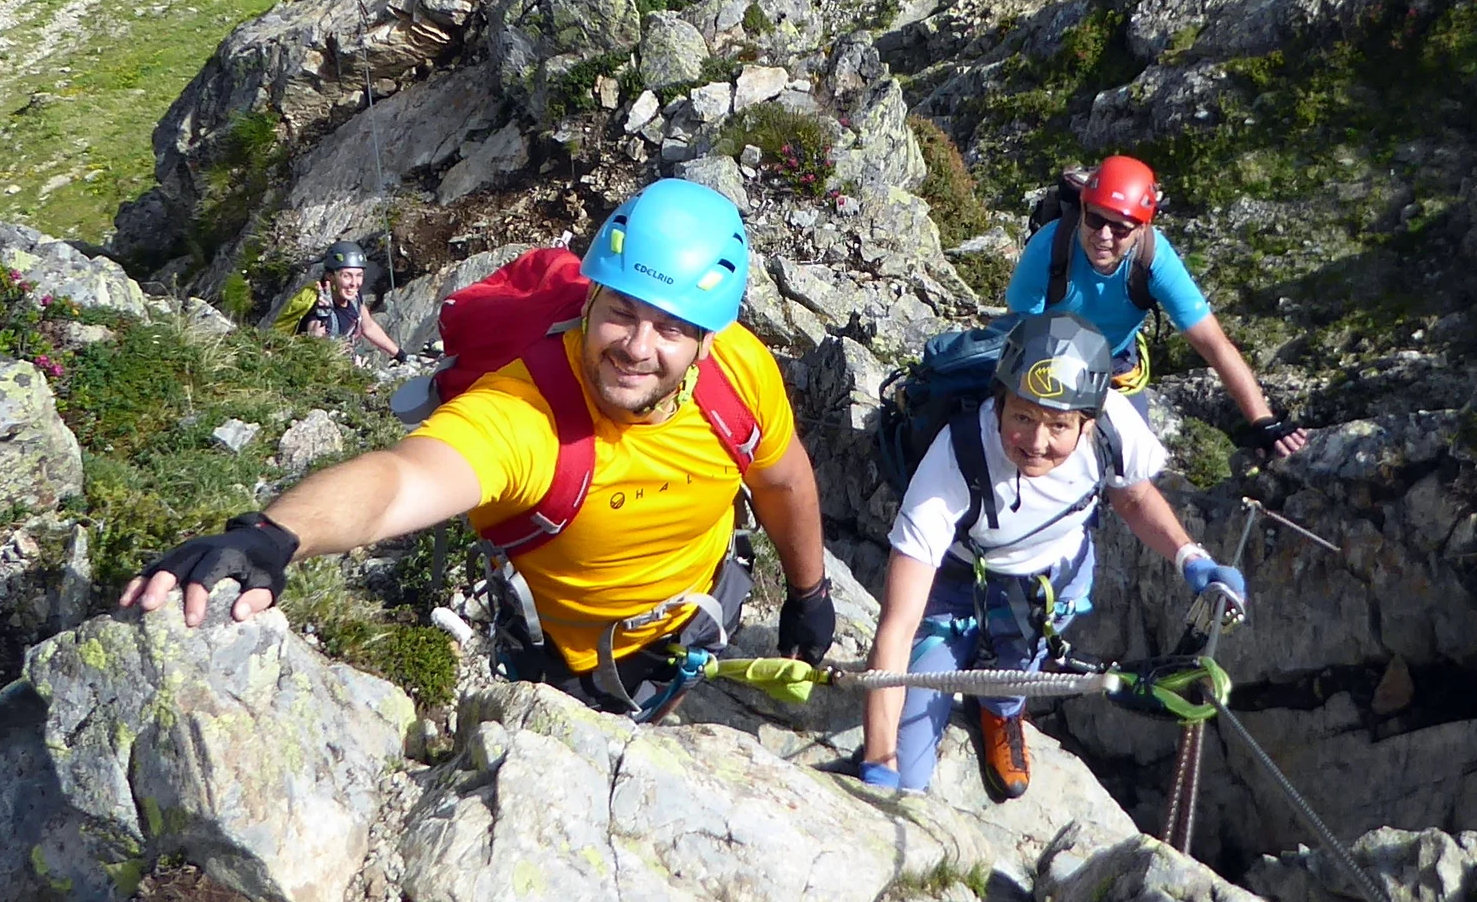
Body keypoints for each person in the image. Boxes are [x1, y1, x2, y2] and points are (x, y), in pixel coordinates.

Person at [120, 179, 835, 715]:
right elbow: (401, 481)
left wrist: (810, 592)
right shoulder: (529, 416)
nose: (637, 348)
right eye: (622, 312)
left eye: (670, 329)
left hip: (707, 607)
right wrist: (275, 534)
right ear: (592, 298)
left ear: (707, 338)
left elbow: (782, 480)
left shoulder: (738, 372)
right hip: (579, 672)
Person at [860, 313, 1245, 800]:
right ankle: (975, 707)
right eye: (1021, 417)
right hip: (955, 591)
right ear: (998, 402)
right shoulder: (955, 456)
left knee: (1018, 665)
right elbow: (897, 626)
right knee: (907, 776)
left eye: (1058, 425)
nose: (1037, 443)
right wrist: (879, 759)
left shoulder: (1111, 427)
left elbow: (1133, 497)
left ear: (1087, 422)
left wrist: (1191, 558)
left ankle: (1001, 710)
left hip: (1047, 585)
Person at [1005, 155, 1307, 458]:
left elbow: (1214, 344)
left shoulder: (1154, 260)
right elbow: (1019, 333)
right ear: (1082, 208)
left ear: (1141, 228)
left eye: (1120, 228)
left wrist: (1263, 421)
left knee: (1132, 462)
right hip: (1047, 358)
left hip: (1115, 366)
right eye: (1095, 220)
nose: (1104, 236)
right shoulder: (1049, 246)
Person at [299, 241, 406, 362]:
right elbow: (314, 341)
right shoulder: (319, 305)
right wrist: (322, 319)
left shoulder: (354, 298)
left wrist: (399, 354)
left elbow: (369, 327)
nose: (354, 283)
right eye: (347, 276)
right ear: (330, 276)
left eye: (359, 275)